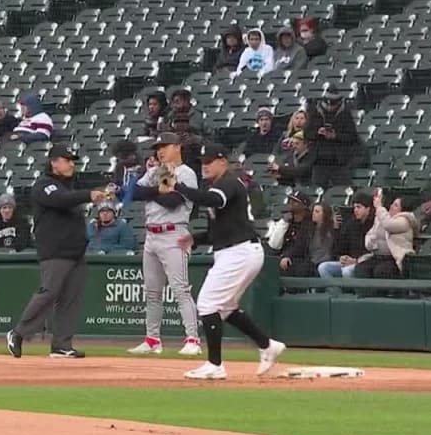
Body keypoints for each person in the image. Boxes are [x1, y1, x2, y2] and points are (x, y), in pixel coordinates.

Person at [165, 143, 286, 379]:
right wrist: (195, 238)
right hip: (236, 250)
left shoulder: (228, 183)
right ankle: (268, 345)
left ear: (223, 161)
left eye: (209, 161)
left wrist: (178, 186)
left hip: (239, 252)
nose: (205, 165)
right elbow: (219, 229)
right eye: (202, 161)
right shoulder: (218, 185)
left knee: (208, 304)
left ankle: (215, 364)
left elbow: (214, 200)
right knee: (225, 308)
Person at [6, 145, 107, 360]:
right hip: (55, 251)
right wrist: (89, 194)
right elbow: (60, 200)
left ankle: (62, 344)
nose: (71, 163)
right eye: (66, 159)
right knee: (49, 292)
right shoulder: (44, 185)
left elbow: (69, 197)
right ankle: (18, 333)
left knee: (71, 298)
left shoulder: (69, 188)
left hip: (76, 252)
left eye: (73, 160)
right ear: (53, 162)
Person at [124, 132, 202, 356]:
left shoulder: (186, 173)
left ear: (177, 147)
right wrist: (158, 189)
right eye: (158, 147)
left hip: (173, 233)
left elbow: (172, 201)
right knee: (152, 292)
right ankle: (152, 339)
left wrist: (153, 192)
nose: (160, 150)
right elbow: (133, 192)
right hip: (152, 236)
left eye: (165, 146)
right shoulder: (155, 171)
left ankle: (193, 339)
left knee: (180, 289)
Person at [304, 87, 360, 188]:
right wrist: (318, 133)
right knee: (317, 189)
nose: (330, 106)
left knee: (343, 189)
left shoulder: (345, 114)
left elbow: (353, 137)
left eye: (333, 104)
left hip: (339, 161)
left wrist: (336, 136)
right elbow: (307, 134)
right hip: (319, 160)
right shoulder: (315, 112)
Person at [358, 191, 418, 278]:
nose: (391, 206)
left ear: (403, 209)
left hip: (395, 258)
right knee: (361, 269)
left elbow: (388, 225)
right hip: (378, 256)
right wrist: (372, 244)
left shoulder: (405, 221)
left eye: (396, 205)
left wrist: (379, 207)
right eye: (392, 204)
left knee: (381, 271)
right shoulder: (384, 217)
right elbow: (371, 234)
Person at [318, 191, 374, 278]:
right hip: (349, 261)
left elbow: (373, 253)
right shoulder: (351, 224)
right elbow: (340, 247)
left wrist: (356, 261)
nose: (355, 210)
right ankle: (335, 291)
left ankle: (353, 292)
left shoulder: (374, 225)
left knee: (347, 271)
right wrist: (342, 257)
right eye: (354, 207)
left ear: (368, 209)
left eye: (359, 207)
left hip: (364, 263)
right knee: (324, 267)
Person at [277, 192, 315, 277]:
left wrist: (287, 256)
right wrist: (283, 223)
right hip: (282, 254)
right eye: (291, 200)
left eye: (295, 201)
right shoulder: (288, 222)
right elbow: (275, 244)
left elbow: (301, 245)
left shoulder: (309, 224)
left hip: (299, 258)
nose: (291, 203)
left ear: (304, 206)